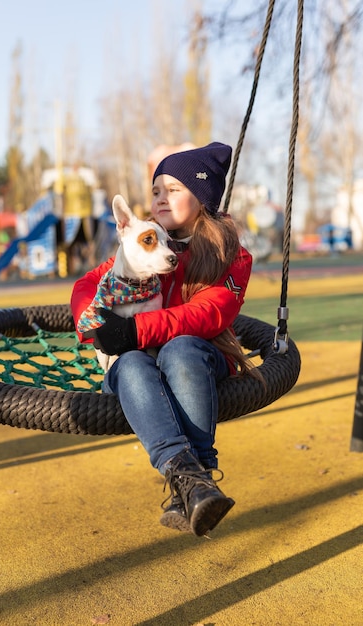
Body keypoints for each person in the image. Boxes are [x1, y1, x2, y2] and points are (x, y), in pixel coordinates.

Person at [71, 142, 257, 537]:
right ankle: (192, 481)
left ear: (201, 197)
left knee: (180, 347)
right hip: (142, 363)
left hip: (202, 358)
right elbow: (89, 284)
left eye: (173, 189)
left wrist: (135, 330)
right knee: (132, 361)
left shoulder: (231, 255)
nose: (160, 198)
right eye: (156, 189)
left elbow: (207, 314)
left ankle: (196, 470)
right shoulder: (145, 240)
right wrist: (95, 321)